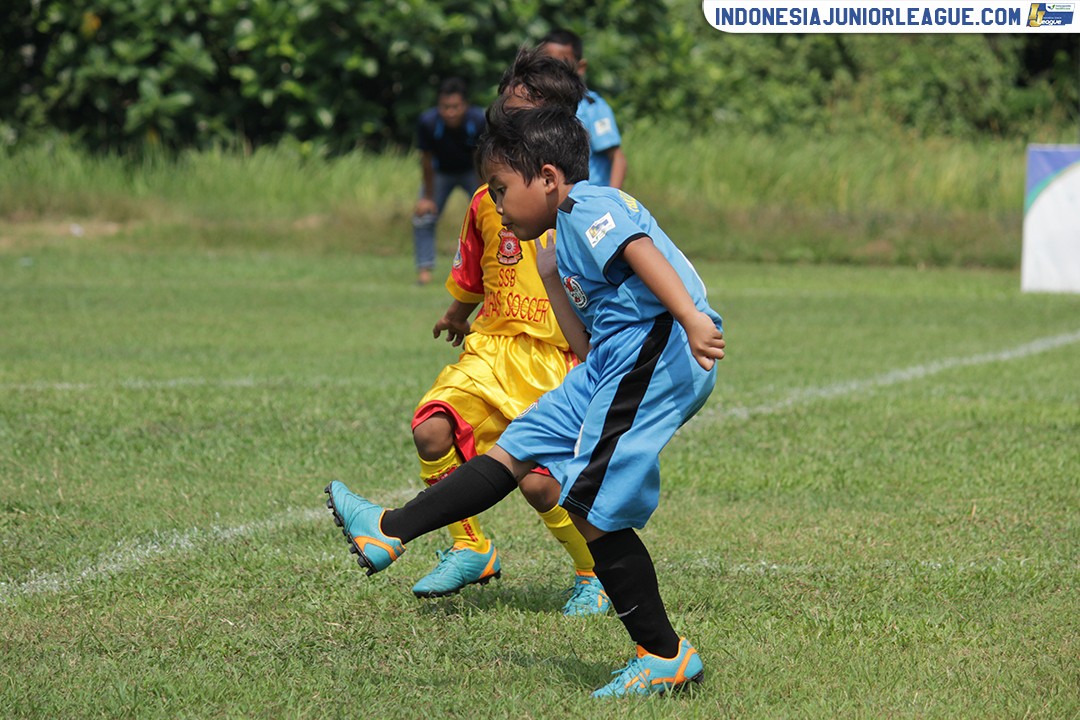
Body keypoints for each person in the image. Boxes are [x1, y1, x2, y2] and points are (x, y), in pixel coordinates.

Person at [325, 105, 725, 697]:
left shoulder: (590, 206)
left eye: (502, 189)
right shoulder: (559, 234)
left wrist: (692, 318)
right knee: (515, 449)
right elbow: (585, 339)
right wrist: (549, 269)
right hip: (610, 359)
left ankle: (663, 653)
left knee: (588, 506)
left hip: (656, 348)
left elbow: (641, 250)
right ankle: (389, 530)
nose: (498, 204)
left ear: (547, 176)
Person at [406, 48, 609, 615]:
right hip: (493, 348)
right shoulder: (485, 202)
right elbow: (478, 267)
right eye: (507, 112)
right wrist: (455, 313)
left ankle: (593, 573)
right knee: (430, 430)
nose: (508, 122)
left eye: (524, 114)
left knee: (542, 486)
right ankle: (470, 546)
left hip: (558, 358)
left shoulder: (584, 207)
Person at [412, 77, 486, 285]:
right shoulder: (428, 122)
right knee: (423, 217)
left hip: (471, 171)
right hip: (440, 174)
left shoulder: (478, 120)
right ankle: (424, 270)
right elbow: (426, 159)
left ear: (465, 105)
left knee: (488, 215)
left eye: (455, 107)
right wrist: (427, 196)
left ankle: (487, 266)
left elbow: (480, 157)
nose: (450, 112)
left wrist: (483, 192)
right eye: (445, 107)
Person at [538, 28, 627, 189]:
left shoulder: (592, 107)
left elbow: (617, 158)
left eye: (562, 64)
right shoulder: (535, 103)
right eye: (547, 63)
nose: (554, 70)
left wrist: (612, 199)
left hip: (588, 199)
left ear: (581, 67)